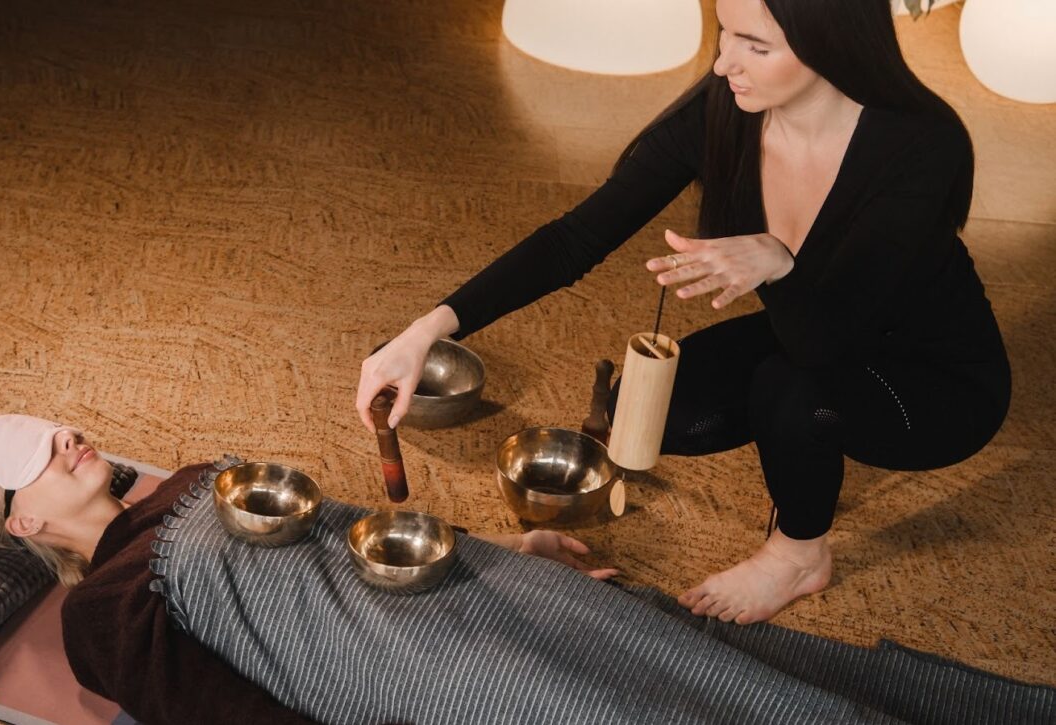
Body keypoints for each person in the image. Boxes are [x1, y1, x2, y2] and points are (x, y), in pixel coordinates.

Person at [355, 0, 1010, 626]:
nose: (724, 63)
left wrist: (780, 262)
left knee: (793, 394)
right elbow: (574, 240)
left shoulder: (919, 143)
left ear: (830, 41)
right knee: (647, 409)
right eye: (725, 32)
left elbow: (825, 341)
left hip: (932, 376)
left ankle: (799, 555)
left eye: (755, 45)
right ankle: (803, 447)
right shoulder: (728, 108)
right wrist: (427, 330)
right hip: (808, 327)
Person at [0, 414, 1049, 725]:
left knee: (715, 662)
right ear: (23, 522)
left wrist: (502, 551)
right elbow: (220, 709)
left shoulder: (202, 475)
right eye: (31, 455)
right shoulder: (101, 615)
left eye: (56, 423)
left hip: (476, 590)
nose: (64, 438)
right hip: (418, 677)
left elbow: (362, 533)